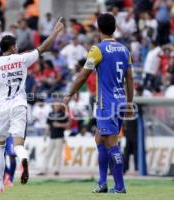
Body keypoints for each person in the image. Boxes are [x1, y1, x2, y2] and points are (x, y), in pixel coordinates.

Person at [0, 17, 65, 193]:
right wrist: (55, 32)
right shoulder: (22, 58)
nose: (17, 47)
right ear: (11, 48)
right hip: (19, 105)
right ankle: (23, 158)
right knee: (18, 144)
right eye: (15, 45)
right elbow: (44, 48)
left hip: (1, 108)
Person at [64, 13, 134, 193]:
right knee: (99, 139)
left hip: (106, 104)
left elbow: (82, 76)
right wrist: (129, 102)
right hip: (120, 101)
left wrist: (69, 94)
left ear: (98, 28)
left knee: (111, 143)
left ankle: (119, 186)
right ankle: (102, 183)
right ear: (115, 28)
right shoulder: (125, 50)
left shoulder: (98, 49)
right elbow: (130, 79)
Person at [38, 103, 69, 176]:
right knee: (47, 154)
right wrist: (45, 134)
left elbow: (67, 125)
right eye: (55, 105)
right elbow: (48, 125)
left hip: (60, 136)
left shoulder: (63, 114)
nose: (56, 106)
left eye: (57, 105)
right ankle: (43, 170)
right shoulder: (50, 114)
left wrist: (59, 125)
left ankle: (57, 170)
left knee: (58, 154)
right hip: (52, 136)